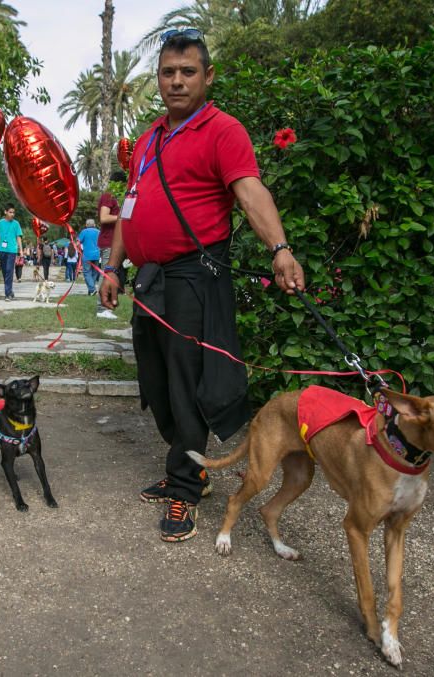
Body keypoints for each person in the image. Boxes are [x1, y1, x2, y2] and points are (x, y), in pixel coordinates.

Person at [98, 29, 304, 543]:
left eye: (188, 72)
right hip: (150, 279)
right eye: (168, 72)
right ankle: (187, 464)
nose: (177, 81)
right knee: (156, 381)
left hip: (193, 275)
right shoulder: (149, 138)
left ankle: (186, 489)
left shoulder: (223, 130)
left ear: (207, 77)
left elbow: (251, 192)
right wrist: (113, 266)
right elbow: (129, 208)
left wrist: (280, 248)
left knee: (187, 387)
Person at [96, 169, 128, 319]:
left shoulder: (115, 197)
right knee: (107, 275)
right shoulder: (110, 196)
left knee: (111, 275)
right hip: (109, 241)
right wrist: (124, 217)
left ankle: (106, 307)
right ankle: (102, 309)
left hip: (112, 241)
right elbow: (103, 217)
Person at [0, 205, 22, 300]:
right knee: (5, 271)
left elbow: (18, 237)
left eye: (13, 212)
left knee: (9, 270)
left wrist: (20, 250)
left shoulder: (16, 224)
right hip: (1, 249)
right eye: (10, 212)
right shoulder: (0, 222)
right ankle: (10, 291)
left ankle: (7, 294)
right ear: (5, 212)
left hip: (12, 250)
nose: (12, 214)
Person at [77, 219, 100, 295]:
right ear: (94, 225)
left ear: (86, 225)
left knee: (86, 272)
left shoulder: (84, 231)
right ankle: (91, 291)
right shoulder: (98, 232)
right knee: (94, 272)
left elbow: (78, 243)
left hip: (87, 255)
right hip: (97, 255)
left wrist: (79, 249)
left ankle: (92, 289)